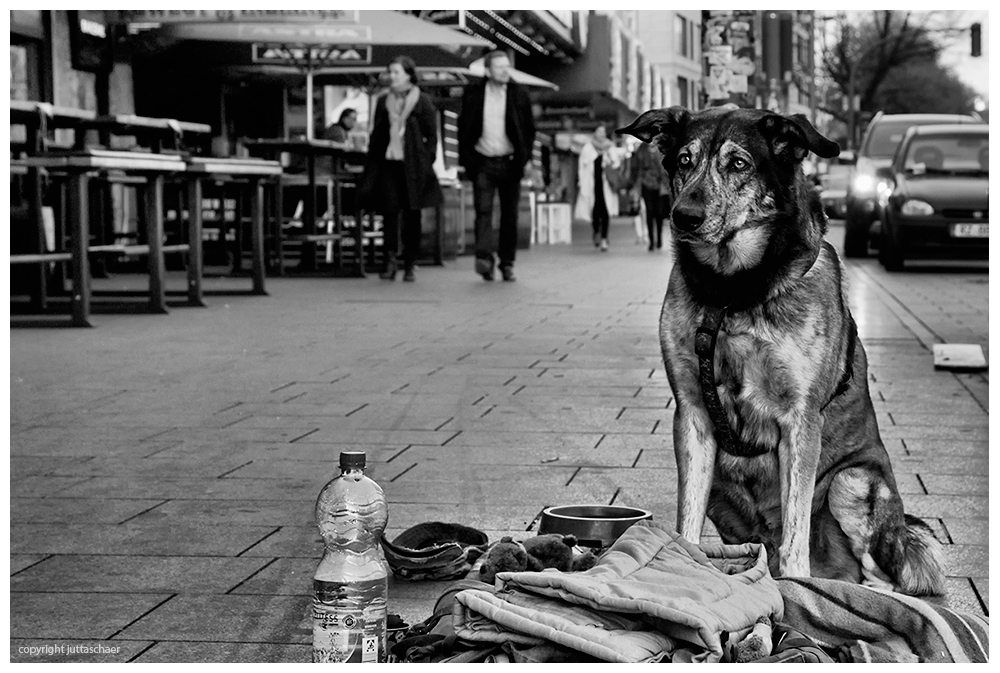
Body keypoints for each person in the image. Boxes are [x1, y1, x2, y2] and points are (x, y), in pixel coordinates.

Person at [358, 56, 442, 282]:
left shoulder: (423, 101)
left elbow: (432, 135)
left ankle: (410, 263)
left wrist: (426, 160)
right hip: (388, 164)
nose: (391, 76)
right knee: (390, 212)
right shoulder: (383, 101)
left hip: (413, 166)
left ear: (408, 74)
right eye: (390, 72)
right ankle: (390, 260)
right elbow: (377, 134)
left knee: (413, 213)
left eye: (396, 72)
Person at [458, 50, 536, 282]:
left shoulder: (519, 93)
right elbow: (464, 128)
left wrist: (524, 158)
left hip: (510, 163)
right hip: (482, 161)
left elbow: (529, 130)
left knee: (509, 216)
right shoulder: (473, 93)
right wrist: (469, 159)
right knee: (483, 212)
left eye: (506, 67)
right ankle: (484, 259)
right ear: (488, 70)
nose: (505, 71)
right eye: (499, 67)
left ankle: (507, 263)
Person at [574, 125, 619, 251]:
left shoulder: (610, 147)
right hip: (592, 185)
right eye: (599, 131)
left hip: (606, 186)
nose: (601, 134)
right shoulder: (588, 147)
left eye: (603, 132)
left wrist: (610, 159)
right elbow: (582, 165)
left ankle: (604, 238)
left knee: (606, 212)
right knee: (594, 212)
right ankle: (596, 232)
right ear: (595, 133)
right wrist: (581, 181)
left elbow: (616, 163)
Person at [629, 141, 672, 251]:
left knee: (658, 212)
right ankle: (651, 241)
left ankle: (659, 237)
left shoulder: (661, 148)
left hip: (660, 184)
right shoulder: (642, 148)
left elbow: (665, 167)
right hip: (645, 183)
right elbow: (636, 167)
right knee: (649, 211)